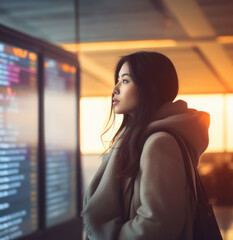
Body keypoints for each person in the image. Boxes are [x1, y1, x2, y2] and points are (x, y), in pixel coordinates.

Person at [81, 51, 210, 240]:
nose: (115, 89)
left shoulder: (159, 143)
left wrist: (114, 237)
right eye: (117, 81)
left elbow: (159, 224)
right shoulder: (137, 140)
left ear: (151, 88)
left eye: (125, 81)